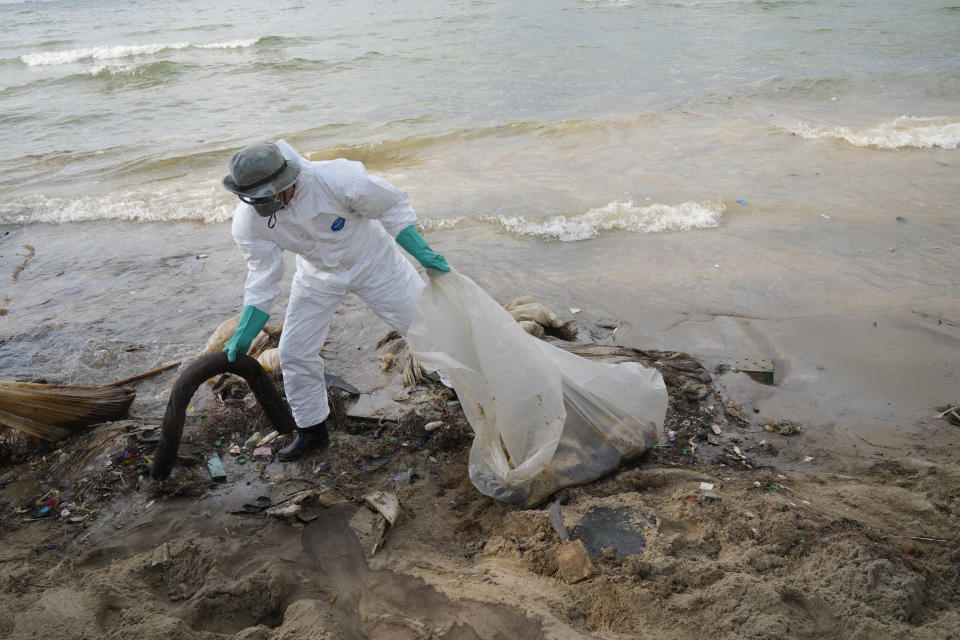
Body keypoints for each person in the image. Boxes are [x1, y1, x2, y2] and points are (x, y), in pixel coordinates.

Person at [221, 139, 449, 461]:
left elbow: (391, 206)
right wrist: (246, 329)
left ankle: (463, 388)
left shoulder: (337, 179)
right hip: (317, 275)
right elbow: (263, 274)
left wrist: (421, 251)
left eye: (269, 196)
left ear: (287, 181)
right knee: (294, 351)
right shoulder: (248, 221)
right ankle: (312, 429)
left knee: (425, 327)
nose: (263, 205)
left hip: (374, 261)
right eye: (255, 199)